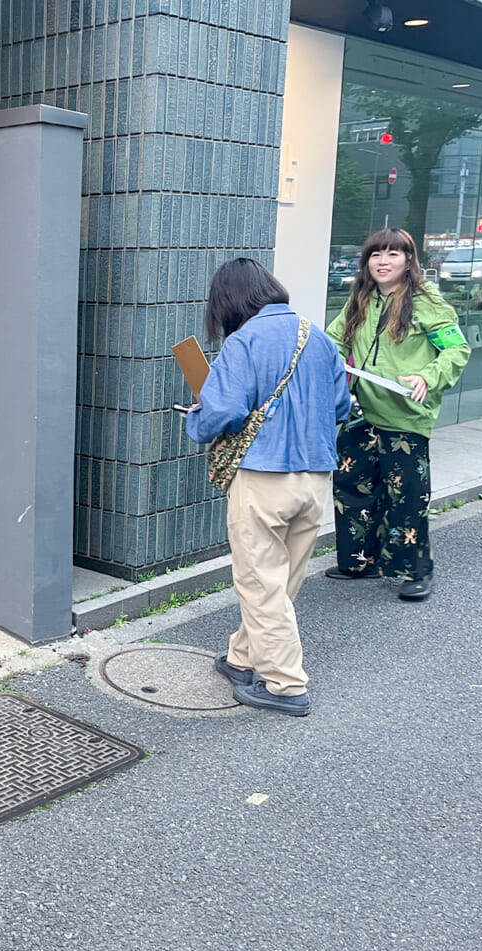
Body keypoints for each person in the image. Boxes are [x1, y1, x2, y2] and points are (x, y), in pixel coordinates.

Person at [186, 259, 351, 717]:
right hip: (315, 477)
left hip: (264, 477)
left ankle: (286, 685)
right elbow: (341, 406)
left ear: (228, 302)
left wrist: (196, 419)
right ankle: (242, 657)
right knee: (281, 580)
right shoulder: (318, 337)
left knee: (259, 582)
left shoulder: (244, 342)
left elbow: (223, 412)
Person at [324, 228, 471, 601]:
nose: (383, 262)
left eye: (393, 254)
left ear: (408, 261)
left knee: (406, 496)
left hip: (405, 416)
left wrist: (428, 376)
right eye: (376, 254)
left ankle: (414, 571)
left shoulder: (427, 302)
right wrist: (335, 368)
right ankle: (360, 560)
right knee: (352, 485)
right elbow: (335, 339)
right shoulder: (361, 297)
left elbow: (457, 350)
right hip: (361, 411)